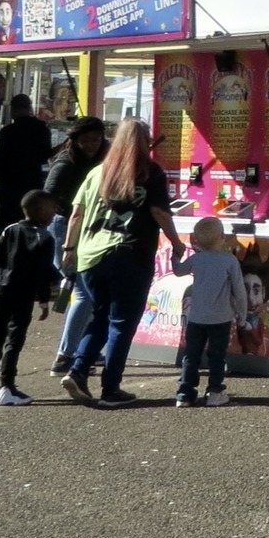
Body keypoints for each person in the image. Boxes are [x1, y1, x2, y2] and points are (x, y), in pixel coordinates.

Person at [60, 119, 182, 408]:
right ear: (144, 141)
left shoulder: (97, 172)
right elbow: (159, 212)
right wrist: (176, 243)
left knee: (101, 316)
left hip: (90, 257)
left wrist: (68, 248)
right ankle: (110, 388)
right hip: (129, 256)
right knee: (122, 323)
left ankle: (77, 371)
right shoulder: (149, 172)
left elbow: (76, 213)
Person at [0, 189, 60, 407]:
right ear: (40, 211)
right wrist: (44, 299)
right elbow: (43, 272)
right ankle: (8, 387)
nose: (55, 212)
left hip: (0, 290)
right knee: (14, 339)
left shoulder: (10, 229)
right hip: (22, 293)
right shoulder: (46, 237)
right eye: (52, 208)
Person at [44, 117, 108, 379]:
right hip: (65, 228)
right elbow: (48, 195)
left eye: (96, 139)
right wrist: (69, 210)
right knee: (83, 293)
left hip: (85, 228)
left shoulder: (103, 155)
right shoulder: (66, 161)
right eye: (86, 140)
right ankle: (66, 356)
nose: (91, 145)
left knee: (86, 294)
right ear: (75, 140)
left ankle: (83, 349)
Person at [172, 217, 250, 408]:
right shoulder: (230, 261)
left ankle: (185, 394)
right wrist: (242, 316)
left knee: (191, 355)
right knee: (217, 356)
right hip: (221, 319)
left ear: (196, 241)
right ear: (223, 237)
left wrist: (175, 256)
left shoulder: (196, 259)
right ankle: (215, 392)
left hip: (197, 318)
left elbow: (178, 271)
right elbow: (239, 292)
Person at [0, 94, 53, 234]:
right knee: (33, 227)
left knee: (9, 229)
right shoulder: (42, 129)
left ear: (13, 110)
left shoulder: (8, 132)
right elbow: (44, 157)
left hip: (10, 189)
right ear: (29, 109)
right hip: (33, 185)